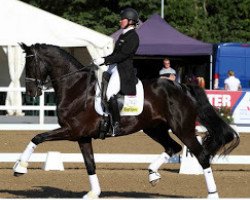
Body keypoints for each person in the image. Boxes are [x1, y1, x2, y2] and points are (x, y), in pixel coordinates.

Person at [93, 8, 140, 136]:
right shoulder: (123, 34)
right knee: (98, 85)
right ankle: (104, 117)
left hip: (123, 69)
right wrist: (102, 61)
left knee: (109, 94)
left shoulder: (133, 37)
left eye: (122, 19)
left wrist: (104, 59)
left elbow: (123, 55)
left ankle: (116, 125)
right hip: (114, 66)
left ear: (130, 21)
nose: (120, 21)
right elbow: (115, 54)